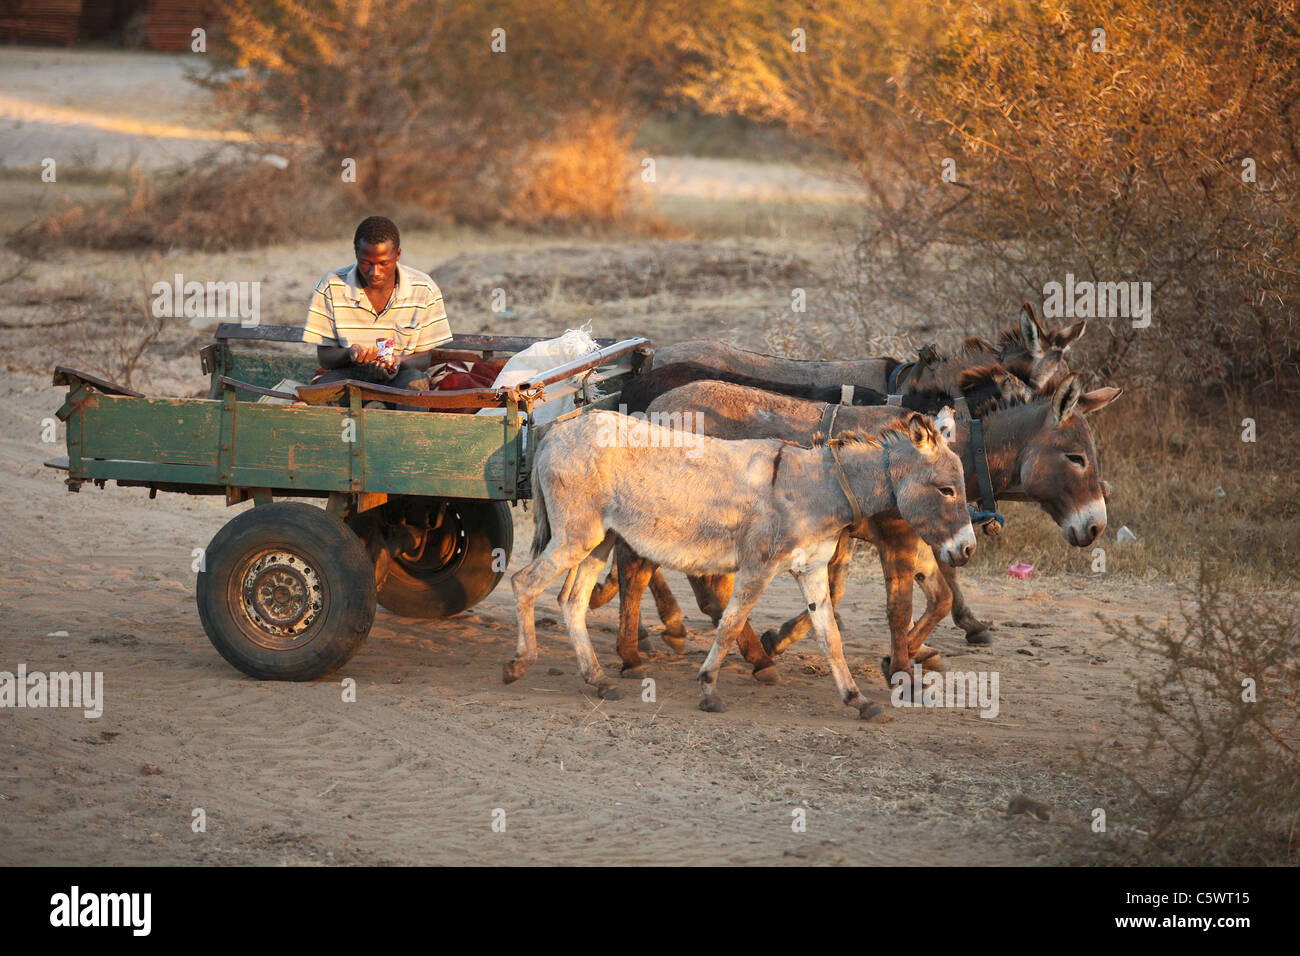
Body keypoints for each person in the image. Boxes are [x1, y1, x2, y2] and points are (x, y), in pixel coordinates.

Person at [303, 216, 460, 406]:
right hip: (349, 373)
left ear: (398, 255)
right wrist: (349, 354)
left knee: (415, 389)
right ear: (356, 254)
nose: (374, 272)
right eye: (366, 263)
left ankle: (404, 435)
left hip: (402, 374)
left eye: (383, 263)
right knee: (323, 395)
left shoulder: (424, 288)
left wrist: (399, 361)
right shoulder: (331, 285)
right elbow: (324, 357)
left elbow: (424, 358)